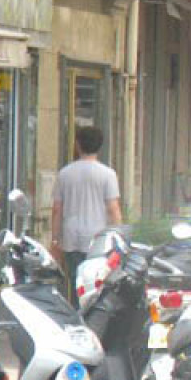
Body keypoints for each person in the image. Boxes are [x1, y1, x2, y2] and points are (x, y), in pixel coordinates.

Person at [50, 126, 122, 298]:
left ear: (78, 145)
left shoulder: (65, 174)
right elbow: (113, 209)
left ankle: (76, 316)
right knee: (97, 284)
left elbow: (57, 209)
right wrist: (119, 239)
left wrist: (55, 239)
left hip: (71, 238)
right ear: (99, 146)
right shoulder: (108, 174)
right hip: (98, 240)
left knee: (76, 284)